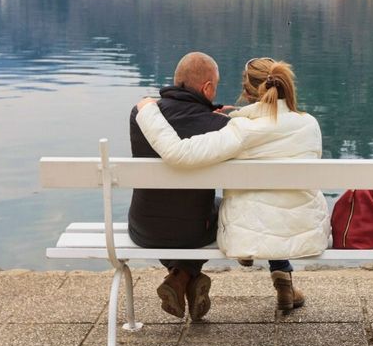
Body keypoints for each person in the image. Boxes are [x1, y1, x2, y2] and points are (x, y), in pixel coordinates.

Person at [135, 57, 329, 313]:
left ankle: (181, 274)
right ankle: (284, 280)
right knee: (279, 200)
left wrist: (148, 110)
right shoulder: (309, 124)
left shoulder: (240, 131)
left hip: (250, 232)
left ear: (247, 93)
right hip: (306, 228)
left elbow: (179, 153)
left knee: (217, 208)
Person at [127, 51, 226, 321]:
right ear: (207, 88)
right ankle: (184, 275)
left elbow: (180, 122)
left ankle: (179, 276)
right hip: (192, 232)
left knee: (177, 212)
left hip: (142, 228)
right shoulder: (218, 126)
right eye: (214, 87)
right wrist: (221, 118)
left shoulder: (141, 115)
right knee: (223, 210)